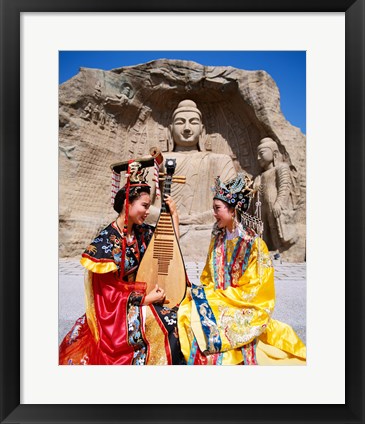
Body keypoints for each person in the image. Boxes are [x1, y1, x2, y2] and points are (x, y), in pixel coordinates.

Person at [59, 162, 185, 365]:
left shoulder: (140, 232)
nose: (147, 211)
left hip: (142, 296)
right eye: (144, 206)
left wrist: (175, 217)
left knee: (183, 310)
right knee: (170, 321)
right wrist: (145, 300)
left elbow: (171, 248)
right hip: (115, 313)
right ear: (128, 203)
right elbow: (107, 296)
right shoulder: (106, 243)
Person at [177, 173, 306, 365]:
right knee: (187, 308)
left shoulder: (254, 245)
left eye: (217, 209)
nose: (214, 213)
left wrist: (220, 297)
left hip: (242, 306)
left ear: (233, 210)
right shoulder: (218, 239)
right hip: (220, 300)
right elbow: (208, 276)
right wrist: (207, 291)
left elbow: (257, 291)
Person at [165, 99, 237, 225]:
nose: (187, 128)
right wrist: (169, 217)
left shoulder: (220, 161)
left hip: (206, 229)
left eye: (193, 123)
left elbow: (231, 204)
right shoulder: (157, 161)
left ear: (202, 130)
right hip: (163, 227)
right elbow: (139, 205)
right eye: (180, 122)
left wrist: (197, 219)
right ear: (170, 130)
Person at [254, 137, 299, 253]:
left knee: (275, 227)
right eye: (257, 154)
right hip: (262, 206)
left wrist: (279, 203)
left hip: (274, 204)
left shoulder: (281, 168)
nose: (258, 158)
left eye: (262, 153)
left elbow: (285, 186)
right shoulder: (261, 175)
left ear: (274, 153)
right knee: (262, 228)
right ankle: (265, 248)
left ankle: (280, 249)